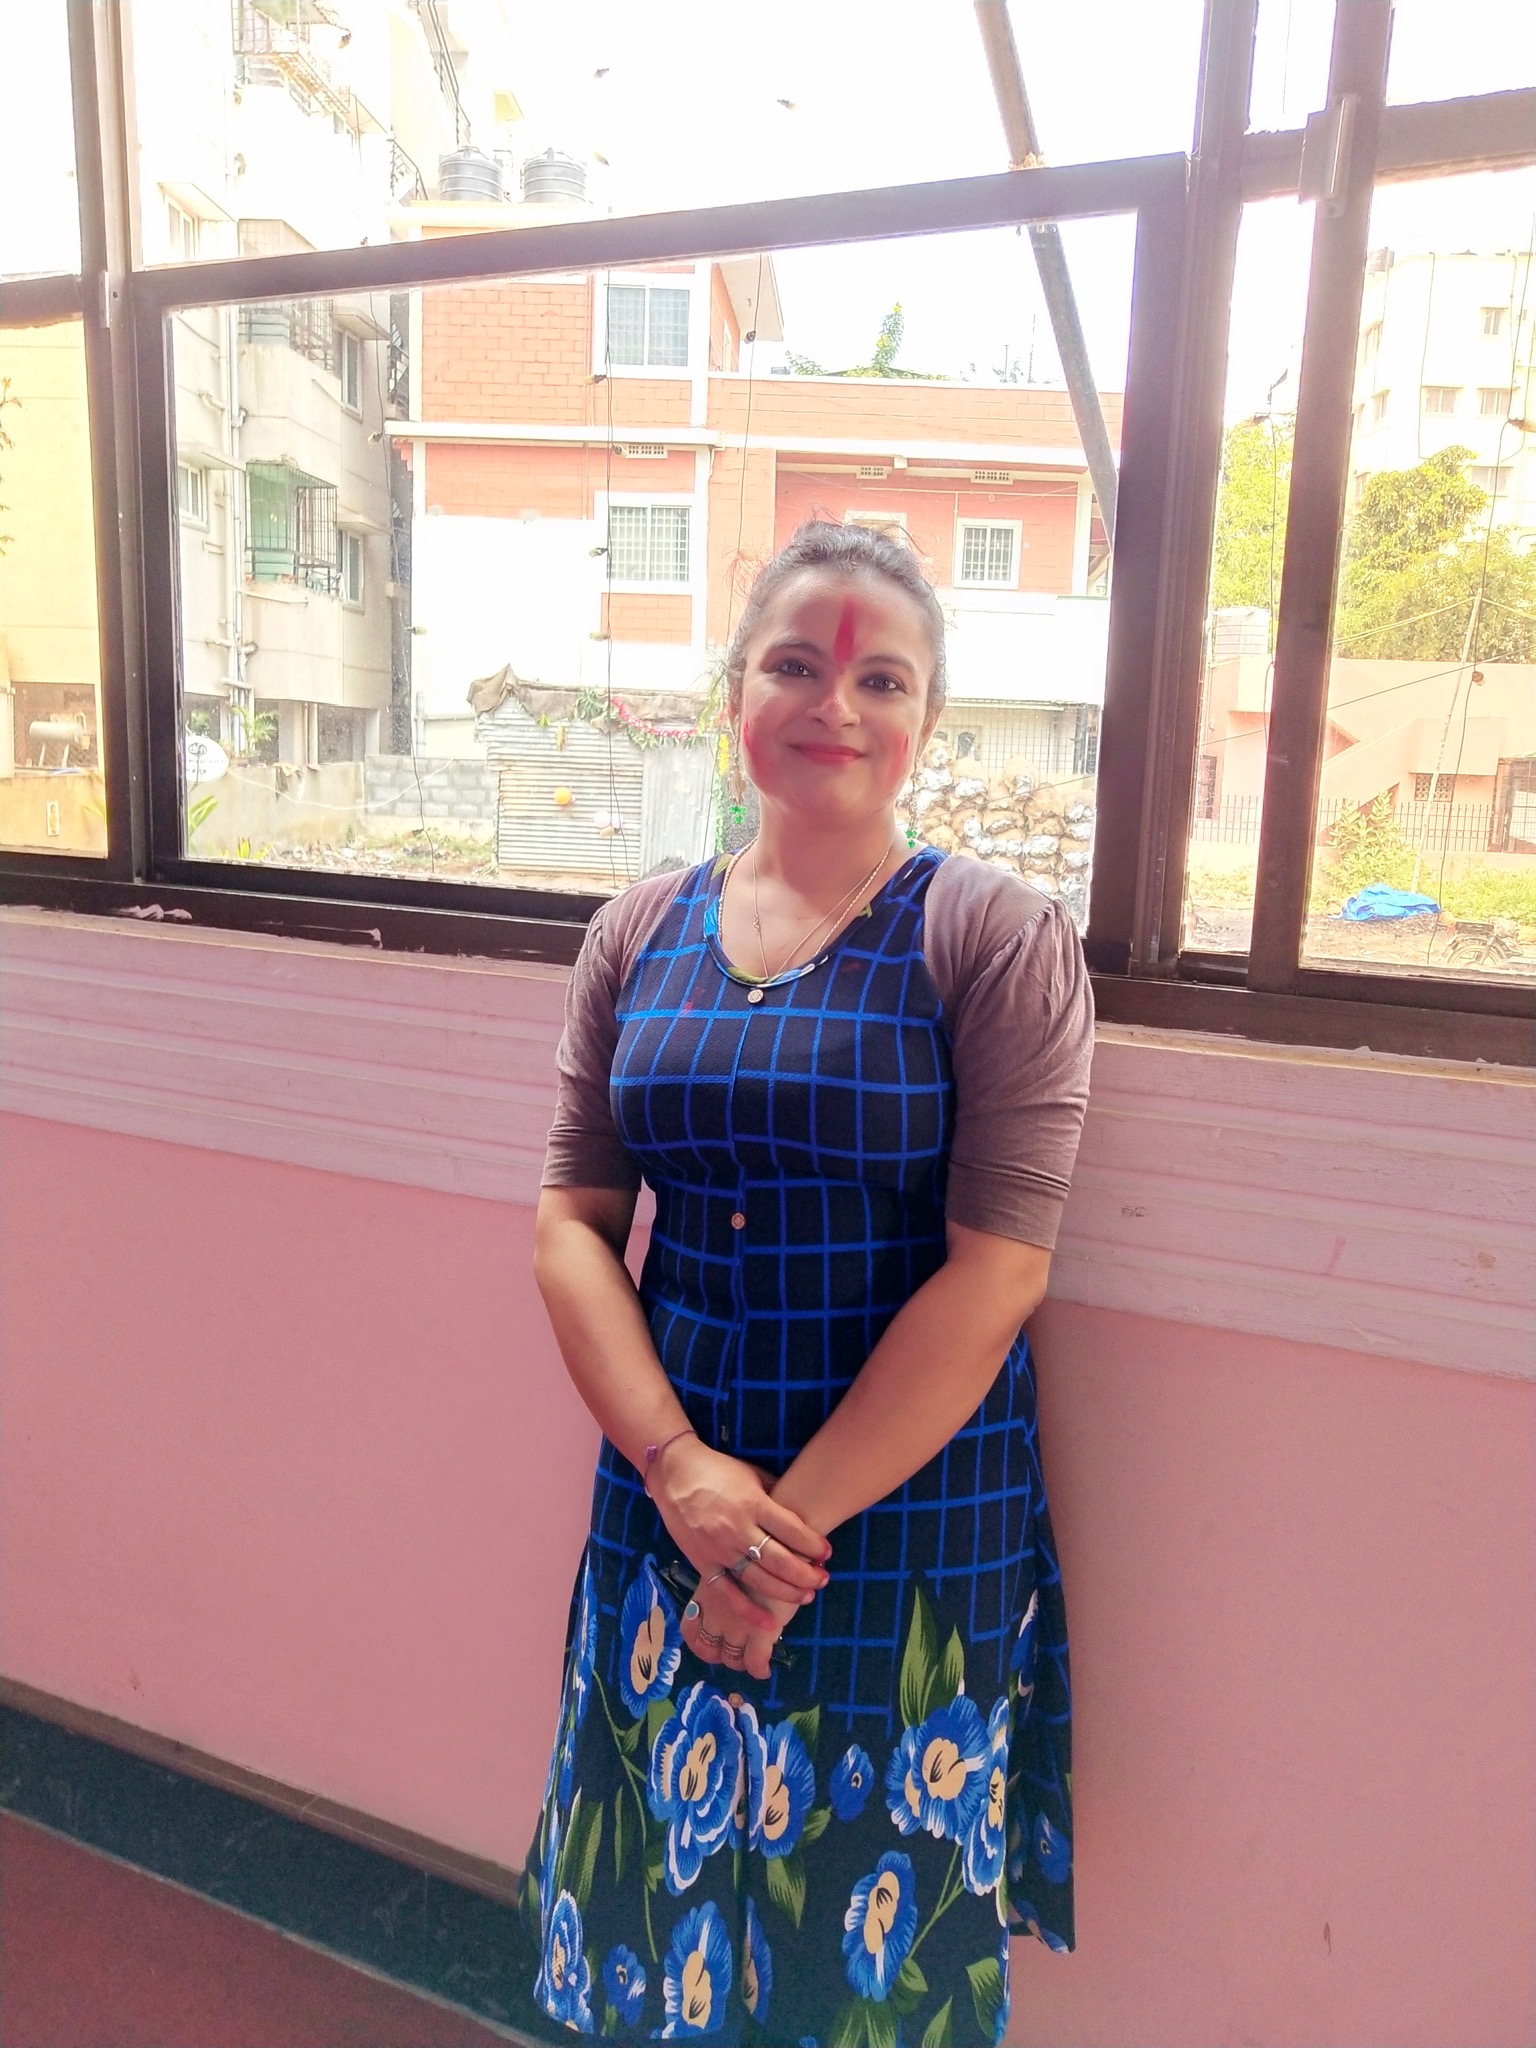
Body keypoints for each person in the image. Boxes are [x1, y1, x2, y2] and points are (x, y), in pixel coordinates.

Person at [519, 520, 1092, 2044]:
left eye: (880, 679)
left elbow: (999, 1274)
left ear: (926, 721)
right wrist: (679, 1473)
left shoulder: (992, 935)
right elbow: (572, 1224)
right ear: (737, 695)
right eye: (794, 665)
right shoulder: (639, 931)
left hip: (899, 1504)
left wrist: (772, 1547)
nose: (835, 704)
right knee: (656, 1894)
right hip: (670, 1477)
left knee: (863, 1937)